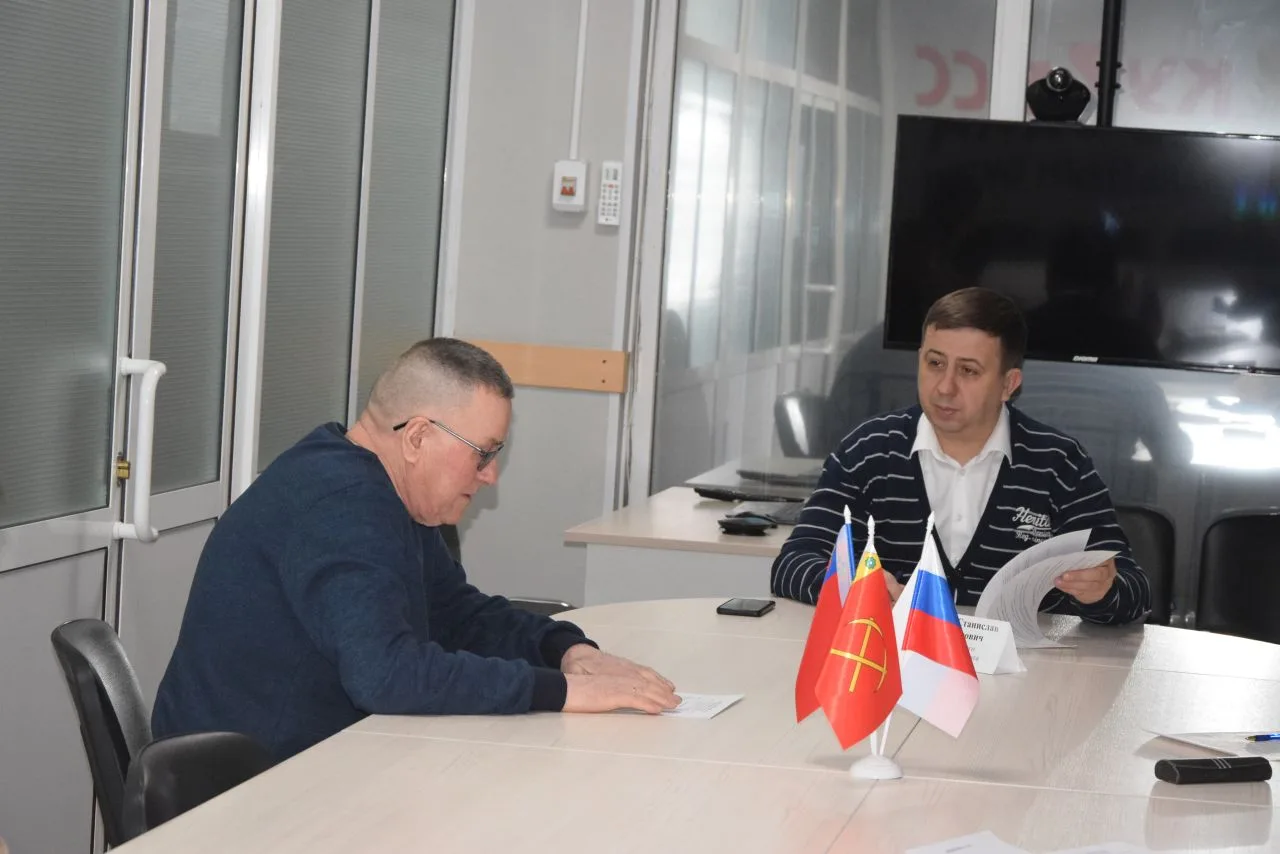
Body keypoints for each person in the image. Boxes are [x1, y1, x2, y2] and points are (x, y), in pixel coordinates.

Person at [153, 339, 679, 760]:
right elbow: (386, 676)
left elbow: (457, 616)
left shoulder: (387, 493)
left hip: (319, 757)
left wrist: (566, 651)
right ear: (418, 438)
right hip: (243, 787)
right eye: (483, 454)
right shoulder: (339, 505)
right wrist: (564, 693)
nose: (490, 475)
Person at [772, 288, 1150, 625]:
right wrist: (854, 586)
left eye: (968, 371)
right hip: (892, 664)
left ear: (1008, 384)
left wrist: (1102, 591)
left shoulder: (1058, 463)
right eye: (935, 363)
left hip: (1024, 671)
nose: (945, 387)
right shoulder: (868, 451)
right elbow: (793, 563)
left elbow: (1134, 591)